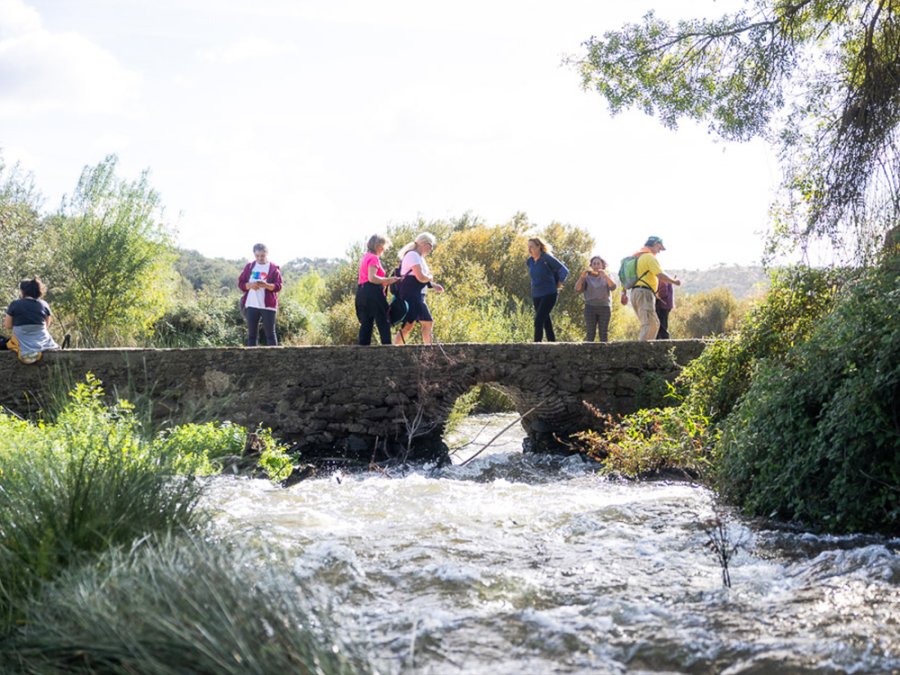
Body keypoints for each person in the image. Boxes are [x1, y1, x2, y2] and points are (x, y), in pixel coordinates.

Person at [620, 236, 681, 341]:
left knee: (653, 323)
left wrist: (623, 293)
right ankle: (642, 353)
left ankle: (646, 351)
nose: (659, 251)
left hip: (636, 292)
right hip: (644, 293)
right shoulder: (649, 257)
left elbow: (625, 278)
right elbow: (660, 274)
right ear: (655, 244)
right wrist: (674, 281)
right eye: (659, 247)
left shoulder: (636, 257)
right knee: (649, 324)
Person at [393, 232, 444, 345]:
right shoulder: (413, 255)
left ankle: (396, 347)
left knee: (408, 325)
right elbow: (421, 277)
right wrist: (430, 277)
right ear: (424, 244)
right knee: (427, 322)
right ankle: (429, 349)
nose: (431, 249)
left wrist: (433, 285)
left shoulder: (419, 257)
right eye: (430, 246)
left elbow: (419, 278)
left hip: (417, 295)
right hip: (412, 296)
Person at [2, 277, 60, 364]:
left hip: (22, 345)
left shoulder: (15, 304)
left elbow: (7, 325)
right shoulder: (44, 304)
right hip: (44, 344)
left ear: (22, 291)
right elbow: (47, 325)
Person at [356, 234, 399, 345]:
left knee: (366, 323)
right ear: (378, 246)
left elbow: (367, 278)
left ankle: (362, 351)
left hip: (361, 292)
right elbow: (372, 278)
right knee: (383, 321)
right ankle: (387, 349)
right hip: (373, 293)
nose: (384, 249)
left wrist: (385, 281)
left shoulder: (365, 257)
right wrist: (389, 280)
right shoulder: (374, 258)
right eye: (384, 246)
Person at [238, 243, 283, 346]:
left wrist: (266, 285)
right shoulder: (249, 267)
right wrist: (250, 285)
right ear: (254, 255)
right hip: (251, 304)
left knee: (270, 335)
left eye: (262, 255)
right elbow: (241, 284)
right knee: (251, 336)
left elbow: (278, 286)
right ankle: (253, 360)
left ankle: (273, 360)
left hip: (268, 305)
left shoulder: (273, 268)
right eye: (257, 256)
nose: (260, 258)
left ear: (267, 254)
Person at [526, 237, 569, 342]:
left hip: (549, 293)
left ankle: (536, 346)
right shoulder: (529, 261)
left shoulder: (546, 258)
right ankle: (552, 343)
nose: (529, 249)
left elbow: (564, 270)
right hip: (536, 295)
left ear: (539, 247)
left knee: (538, 320)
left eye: (531, 246)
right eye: (528, 247)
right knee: (546, 321)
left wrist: (558, 283)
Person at [574, 255, 617, 342]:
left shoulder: (607, 276)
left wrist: (605, 276)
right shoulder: (587, 277)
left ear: (602, 265)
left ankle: (604, 354)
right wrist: (582, 278)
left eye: (598, 264)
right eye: (594, 264)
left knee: (603, 334)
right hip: (590, 307)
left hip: (604, 307)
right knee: (590, 333)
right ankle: (588, 354)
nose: (596, 266)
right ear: (591, 266)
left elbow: (613, 287)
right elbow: (577, 289)